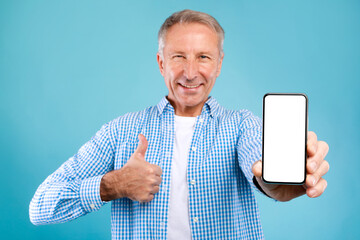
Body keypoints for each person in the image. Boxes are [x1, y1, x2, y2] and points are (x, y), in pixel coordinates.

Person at [29, 9, 330, 240]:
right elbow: (40, 206)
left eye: (203, 57)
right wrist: (114, 185)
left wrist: (279, 182)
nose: (190, 72)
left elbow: (261, 168)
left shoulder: (242, 126)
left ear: (219, 64)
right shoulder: (119, 132)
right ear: (161, 63)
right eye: (178, 57)